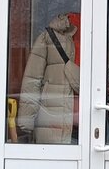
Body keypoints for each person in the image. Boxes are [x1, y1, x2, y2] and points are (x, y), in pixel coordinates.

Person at [17, 13, 80, 144]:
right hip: (54, 118)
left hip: (88, 120)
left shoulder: (99, 37)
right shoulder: (48, 38)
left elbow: (32, 80)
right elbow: (33, 78)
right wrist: (27, 119)